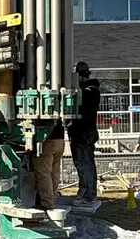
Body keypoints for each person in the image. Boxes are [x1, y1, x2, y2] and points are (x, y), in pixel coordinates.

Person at [68, 61, 100, 211]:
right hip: (84, 133)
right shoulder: (91, 90)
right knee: (88, 164)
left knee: (84, 165)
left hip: (83, 134)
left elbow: (79, 97)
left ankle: (85, 195)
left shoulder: (90, 91)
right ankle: (90, 194)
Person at [33, 120, 66, 210]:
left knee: (43, 173)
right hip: (60, 140)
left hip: (47, 140)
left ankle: (47, 204)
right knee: (55, 172)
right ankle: (53, 199)